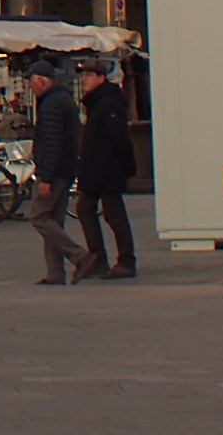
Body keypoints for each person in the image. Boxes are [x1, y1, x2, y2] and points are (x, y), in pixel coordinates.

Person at [26, 61, 94, 285]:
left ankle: (80, 256)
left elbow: (53, 142)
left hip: (54, 172)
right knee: (53, 220)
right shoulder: (62, 100)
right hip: (65, 169)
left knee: (38, 216)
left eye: (31, 82)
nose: (30, 87)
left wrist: (45, 177)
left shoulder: (51, 104)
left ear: (42, 81)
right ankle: (55, 273)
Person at [74, 57, 139, 278]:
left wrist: (130, 169)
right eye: (83, 75)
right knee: (86, 208)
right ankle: (99, 257)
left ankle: (125, 261)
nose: (84, 79)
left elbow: (120, 139)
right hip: (95, 169)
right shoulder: (96, 102)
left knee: (114, 214)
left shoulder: (108, 102)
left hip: (107, 170)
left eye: (89, 75)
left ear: (101, 78)